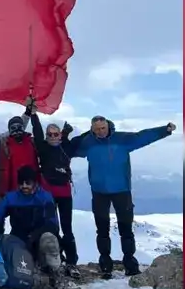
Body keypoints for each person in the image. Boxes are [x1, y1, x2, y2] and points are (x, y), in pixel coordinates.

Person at [71, 115, 175, 277]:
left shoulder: (122, 139)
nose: (100, 132)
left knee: (126, 230)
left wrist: (165, 130)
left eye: (103, 128)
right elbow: (70, 149)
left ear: (108, 126)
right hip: (99, 192)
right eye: (97, 129)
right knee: (102, 231)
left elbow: (142, 136)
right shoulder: (88, 143)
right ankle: (105, 266)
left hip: (122, 191)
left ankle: (130, 265)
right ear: (91, 130)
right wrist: (80, 136)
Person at [0, 166, 63, 283]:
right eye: (21, 183)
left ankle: (55, 273)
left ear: (35, 183)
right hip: (18, 239)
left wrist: (34, 236)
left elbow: (52, 225)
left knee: (49, 240)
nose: (24, 186)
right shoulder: (11, 198)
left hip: (39, 238)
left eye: (28, 183)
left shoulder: (45, 197)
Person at [33, 117, 81, 278]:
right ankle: (55, 260)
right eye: (50, 134)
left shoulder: (66, 148)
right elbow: (37, 133)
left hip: (65, 194)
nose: (53, 137)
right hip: (48, 195)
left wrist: (66, 134)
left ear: (60, 135)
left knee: (67, 228)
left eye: (56, 134)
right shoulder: (43, 148)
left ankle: (72, 262)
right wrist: (33, 115)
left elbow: (80, 139)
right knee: (51, 228)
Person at [0, 99, 39, 197]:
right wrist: (5, 192)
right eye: (13, 128)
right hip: (15, 192)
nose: (17, 131)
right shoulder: (5, 145)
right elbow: (6, 171)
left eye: (19, 127)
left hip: (33, 190)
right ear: (9, 131)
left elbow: (39, 134)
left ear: (23, 128)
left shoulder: (31, 142)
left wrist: (29, 113)